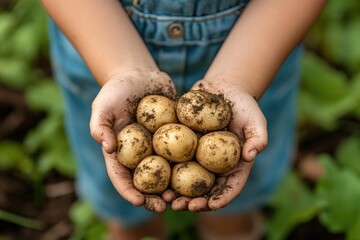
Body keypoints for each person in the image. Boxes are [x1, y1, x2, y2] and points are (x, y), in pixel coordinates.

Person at [40, 0, 327, 239]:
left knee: (245, 178)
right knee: (114, 177)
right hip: (96, 47)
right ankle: (132, 227)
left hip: (260, 54)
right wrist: (120, 69)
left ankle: (230, 226)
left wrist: (240, 78)